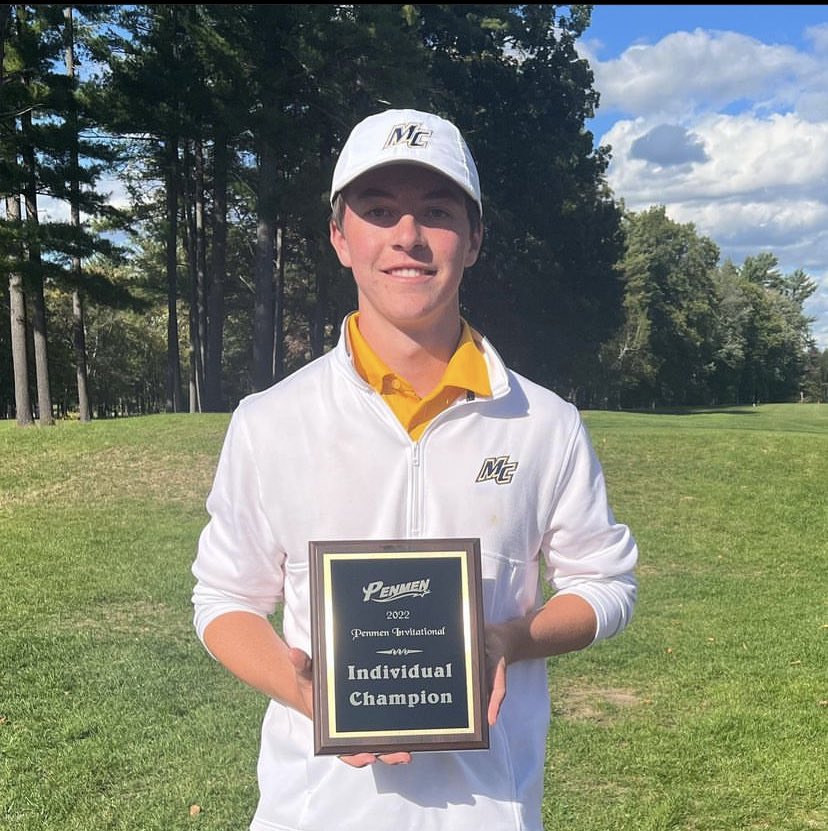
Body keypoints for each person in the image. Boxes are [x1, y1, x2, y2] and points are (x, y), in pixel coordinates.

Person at [191, 108, 638, 831]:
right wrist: (310, 692)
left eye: (436, 211)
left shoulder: (545, 424)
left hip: (490, 812)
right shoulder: (271, 420)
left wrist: (511, 639)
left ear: (475, 237)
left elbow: (607, 583)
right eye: (378, 210)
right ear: (340, 236)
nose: (407, 236)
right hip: (314, 814)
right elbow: (222, 599)